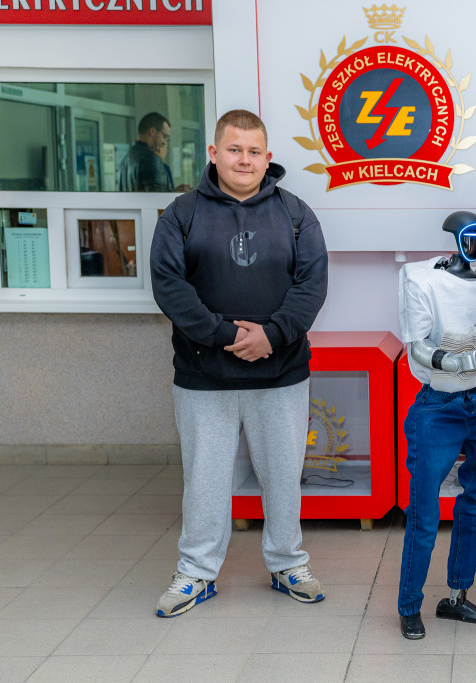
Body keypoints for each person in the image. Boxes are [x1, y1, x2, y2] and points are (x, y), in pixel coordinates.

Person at [149, 109, 328, 617]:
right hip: (204, 377)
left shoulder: (297, 214)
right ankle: (196, 572)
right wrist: (229, 336)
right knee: (204, 482)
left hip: (281, 374)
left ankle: (288, 563)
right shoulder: (181, 215)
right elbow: (169, 288)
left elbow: (312, 286)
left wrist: (271, 335)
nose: (243, 160)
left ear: (267, 158)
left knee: (283, 478)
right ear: (214, 153)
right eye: (234, 149)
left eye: (253, 151)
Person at [397, 211, 476, 640]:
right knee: (424, 509)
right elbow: (419, 350)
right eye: (468, 236)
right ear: (455, 238)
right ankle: (409, 605)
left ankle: (457, 596)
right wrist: (474, 359)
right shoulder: (421, 280)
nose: (474, 244)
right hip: (437, 405)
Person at [118, 112, 173, 192]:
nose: (164, 142)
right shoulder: (151, 158)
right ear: (152, 131)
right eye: (164, 136)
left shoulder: (126, 159)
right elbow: (158, 197)